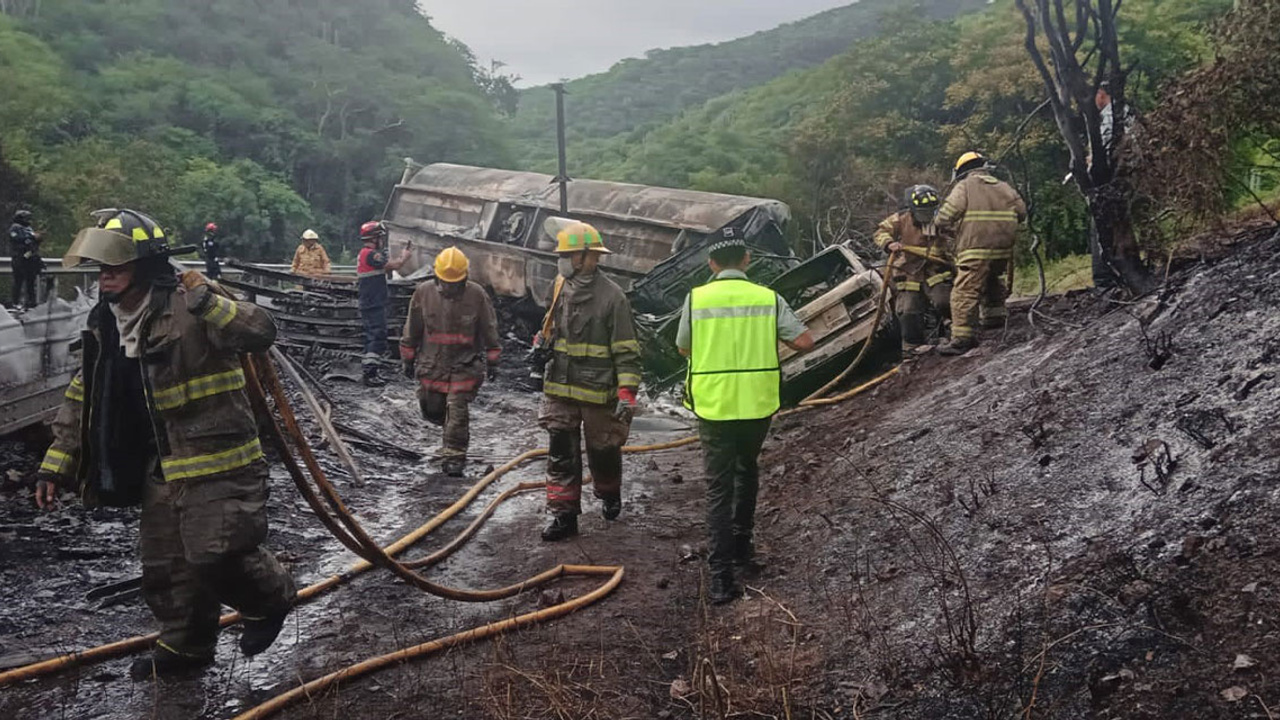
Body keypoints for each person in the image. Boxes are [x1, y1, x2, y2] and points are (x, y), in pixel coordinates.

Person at [34, 208, 295, 680]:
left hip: (219, 461)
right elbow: (84, 392)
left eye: (115, 268)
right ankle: (185, 647)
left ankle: (271, 599)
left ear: (145, 267)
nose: (104, 278)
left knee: (216, 552)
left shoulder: (190, 302)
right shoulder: (106, 321)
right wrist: (57, 463)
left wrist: (211, 303)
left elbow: (261, 332)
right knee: (167, 565)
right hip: (161, 463)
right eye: (100, 269)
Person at [676, 229, 814, 605]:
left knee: (718, 487)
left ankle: (721, 577)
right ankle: (743, 547)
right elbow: (804, 341)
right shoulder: (767, 298)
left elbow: (683, 347)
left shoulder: (697, 298)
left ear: (712, 264)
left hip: (713, 406)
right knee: (747, 469)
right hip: (757, 404)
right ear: (747, 260)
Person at [534, 217, 641, 542]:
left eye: (566, 255)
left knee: (603, 451)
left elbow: (627, 350)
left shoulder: (613, 297)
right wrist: (541, 342)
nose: (561, 260)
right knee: (561, 453)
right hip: (559, 389)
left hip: (598, 393)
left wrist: (627, 393)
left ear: (585, 257)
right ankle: (563, 516)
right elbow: (551, 328)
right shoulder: (560, 287)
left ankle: (609, 494)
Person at [400, 247, 501, 477]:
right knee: (432, 409)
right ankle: (447, 435)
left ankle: (454, 458)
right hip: (431, 365)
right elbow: (412, 327)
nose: (449, 287)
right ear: (437, 277)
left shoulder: (476, 295)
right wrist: (408, 357)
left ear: (464, 278)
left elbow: (489, 327)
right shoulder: (423, 293)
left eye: (454, 283)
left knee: (456, 412)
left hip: (464, 365)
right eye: (445, 282)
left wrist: (493, 358)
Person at [934, 152, 1027, 355]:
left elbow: (944, 218)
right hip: (1002, 249)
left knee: (963, 291)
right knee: (992, 281)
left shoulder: (965, 186)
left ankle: (961, 339)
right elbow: (1022, 213)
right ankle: (995, 319)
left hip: (974, 249)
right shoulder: (1004, 187)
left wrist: (950, 229)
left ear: (962, 171)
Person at [873, 185, 953, 352]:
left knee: (944, 300)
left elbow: (958, 233)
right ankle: (913, 347)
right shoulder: (901, 218)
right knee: (908, 310)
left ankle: (958, 330)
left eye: (930, 211)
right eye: (923, 212)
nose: (928, 216)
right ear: (913, 209)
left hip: (934, 267)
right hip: (908, 270)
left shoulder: (941, 218)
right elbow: (880, 231)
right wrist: (889, 244)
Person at [356, 220, 410, 387]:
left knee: (373, 335)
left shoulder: (366, 254)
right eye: (380, 237)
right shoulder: (371, 254)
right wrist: (404, 256)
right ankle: (370, 374)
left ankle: (371, 371)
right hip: (373, 302)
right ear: (375, 238)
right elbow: (394, 265)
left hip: (370, 302)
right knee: (377, 336)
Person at [8, 209, 44, 309]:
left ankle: (31, 302)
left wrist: (36, 239)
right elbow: (18, 238)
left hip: (30, 258)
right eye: (26, 218)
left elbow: (35, 240)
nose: (28, 221)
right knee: (18, 280)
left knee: (30, 281)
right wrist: (31, 237)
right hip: (19, 257)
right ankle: (15, 302)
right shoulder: (15, 228)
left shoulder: (28, 228)